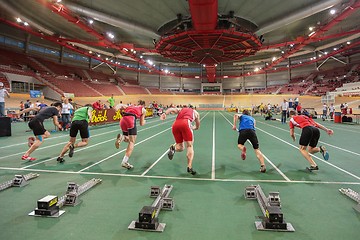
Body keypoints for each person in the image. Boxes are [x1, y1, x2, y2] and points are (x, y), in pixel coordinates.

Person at [160, 105, 200, 175]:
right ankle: (189, 166)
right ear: (193, 108)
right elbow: (197, 124)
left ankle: (173, 148)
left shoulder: (181, 109)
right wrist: (195, 127)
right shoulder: (195, 112)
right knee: (189, 146)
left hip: (175, 125)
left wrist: (164, 113)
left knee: (180, 147)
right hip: (186, 123)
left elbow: (171, 109)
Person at [114, 100, 147, 169]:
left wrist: (116, 109)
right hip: (131, 119)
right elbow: (141, 123)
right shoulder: (143, 110)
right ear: (143, 105)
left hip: (123, 119)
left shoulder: (130, 106)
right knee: (132, 142)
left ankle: (122, 137)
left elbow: (120, 105)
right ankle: (124, 162)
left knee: (128, 139)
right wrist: (144, 121)